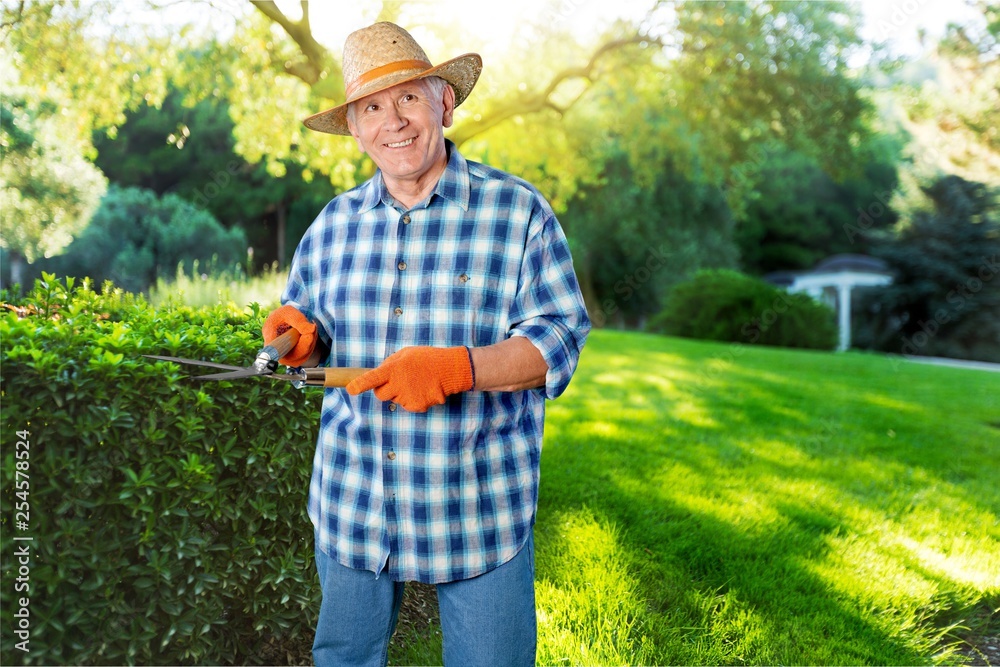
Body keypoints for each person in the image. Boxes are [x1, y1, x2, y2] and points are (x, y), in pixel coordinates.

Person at [262, 21, 590, 667]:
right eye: (372, 107)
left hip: (475, 506)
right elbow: (312, 329)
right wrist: (300, 341)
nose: (394, 121)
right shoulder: (331, 226)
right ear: (355, 128)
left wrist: (459, 367)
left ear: (443, 101)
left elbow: (557, 339)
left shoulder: (518, 212)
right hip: (352, 501)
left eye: (409, 96)